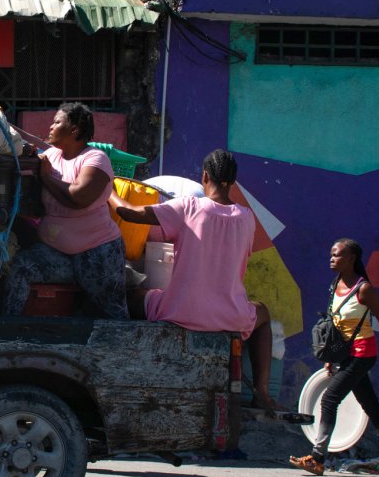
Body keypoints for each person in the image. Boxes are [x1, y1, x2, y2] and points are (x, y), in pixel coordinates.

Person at [110, 149, 279, 414]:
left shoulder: (188, 207)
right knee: (263, 313)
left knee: (132, 296)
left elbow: (128, 212)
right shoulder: (247, 218)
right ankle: (263, 394)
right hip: (231, 316)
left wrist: (107, 186)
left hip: (182, 311)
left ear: (205, 176)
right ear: (233, 181)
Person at [289, 238, 379, 476]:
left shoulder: (364, 289)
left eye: (337, 255)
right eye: (331, 254)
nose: (332, 258)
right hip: (346, 355)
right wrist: (331, 357)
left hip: (362, 354)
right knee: (370, 405)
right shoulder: (335, 284)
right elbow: (336, 324)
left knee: (329, 399)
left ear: (351, 259)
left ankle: (317, 458)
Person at [3, 102, 128, 319]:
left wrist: (46, 177)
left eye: (57, 122)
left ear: (74, 130)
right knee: (20, 267)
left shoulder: (95, 159)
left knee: (111, 314)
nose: (51, 127)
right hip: (55, 252)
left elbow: (78, 198)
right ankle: (7, 329)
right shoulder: (51, 156)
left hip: (98, 254)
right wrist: (3, 123)